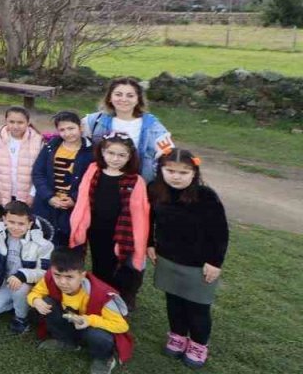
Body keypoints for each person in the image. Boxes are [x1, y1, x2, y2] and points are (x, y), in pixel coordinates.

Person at [148, 149, 228, 369]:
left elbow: (219, 231)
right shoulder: (155, 191)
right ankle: (178, 336)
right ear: (161, 170)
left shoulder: (205, 196)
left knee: (197, 307)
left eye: (183, 172)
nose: (176, 176)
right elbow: (149, 219)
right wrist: (150, 244)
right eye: (170, 170)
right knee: (173, 301)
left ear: (194, 172)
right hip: (167, 258)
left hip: (198, 264)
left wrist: (215, 262)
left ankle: (198, 345)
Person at [69, 134, 151, 310]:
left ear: (130, 157)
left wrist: (138, 242)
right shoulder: (93, 170)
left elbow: (139, 215)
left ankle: (118, 301)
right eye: (111, 153)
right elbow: (84, 198)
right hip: (96, 230)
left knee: (120, 268)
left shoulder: (135, 180)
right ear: (102, 152)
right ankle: (100, 297)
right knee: (100, 264)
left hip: (120, 234)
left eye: (121, 155)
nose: (115, 159)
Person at [28, 247, 134, 374]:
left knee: (97, 335)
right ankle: (67, 341)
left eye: (69, 277)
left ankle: (104, 358)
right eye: (57, 275)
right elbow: (35, 293)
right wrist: (35, 300)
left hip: (91, 327)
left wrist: (90, 320)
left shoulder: (102, 294)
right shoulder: (50, 277)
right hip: (71, 321)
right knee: (46, 302)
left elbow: (121, 326)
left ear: (82, 275)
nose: (62, 282)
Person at [0, 200, 55, 334]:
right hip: (5, 281)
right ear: (4, 219)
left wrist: (22, 275)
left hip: (28, 285)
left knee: (19, 289)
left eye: (21, 224)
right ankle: (21, 305)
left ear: (29, 224)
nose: (15, 227)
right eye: (12, 222)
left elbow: (45, 272)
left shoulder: (43, 244)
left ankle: (21, 318)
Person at [83, 76, 173, 182]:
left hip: (138, 186)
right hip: (100, 183)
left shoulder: (154, 127)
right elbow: (69, 137)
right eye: (118, 94)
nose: (124, 99)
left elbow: (169, 155)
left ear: (138, 99)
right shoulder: (94, 121)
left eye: (130, 95)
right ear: (109, 98)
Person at [33, 111, 95, 246]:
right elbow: (38, 173)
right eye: (62, 130)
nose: (67, 133)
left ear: (81, 127)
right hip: (47, 206)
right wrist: (49, 197)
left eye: (71, 128)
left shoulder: (92, 152)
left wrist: (74, 198)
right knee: (43, 245)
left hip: (73, 210)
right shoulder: (50, 147)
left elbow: (92, 182)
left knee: (68, 249)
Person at [0, 106, 44, 217]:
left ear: (28, 122)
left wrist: (33, 194)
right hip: (4, 193)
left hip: (26, 195)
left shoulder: (37, 141)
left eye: (20, 122)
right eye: (11, 122)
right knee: (4, 224)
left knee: (23, 225)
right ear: (6, 121)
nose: (15, 126)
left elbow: (40, 171)